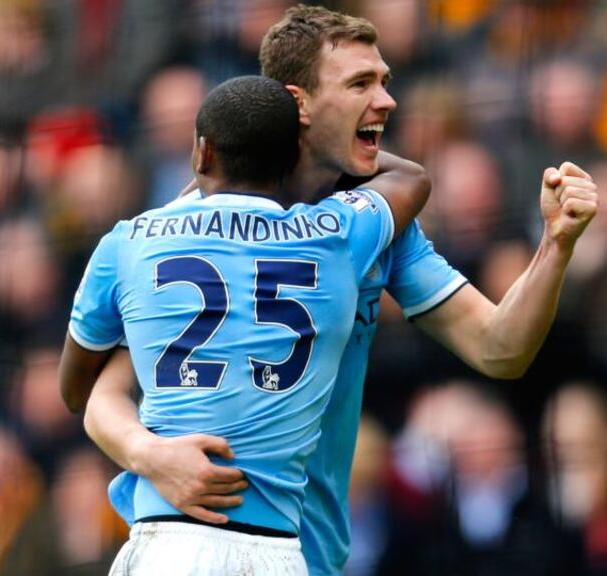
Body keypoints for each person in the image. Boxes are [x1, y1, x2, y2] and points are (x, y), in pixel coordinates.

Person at [68, 5, 599, 575]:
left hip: (311, 554)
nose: (387, 100)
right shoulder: (190, 226)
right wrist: (150, 456)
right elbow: (106, 391)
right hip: (203, 537)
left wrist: (555, 247)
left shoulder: (378, 226)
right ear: (299, 102)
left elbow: (501, 348)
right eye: (360, 84)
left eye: (385, 82)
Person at [59, 75, 429, 574]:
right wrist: (315, 142)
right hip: (277, 550)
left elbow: (74, 387)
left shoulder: (129, 242)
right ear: (288, 160)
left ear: (201, 153)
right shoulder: (335, 236)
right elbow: (412, 180)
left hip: (169, 542)